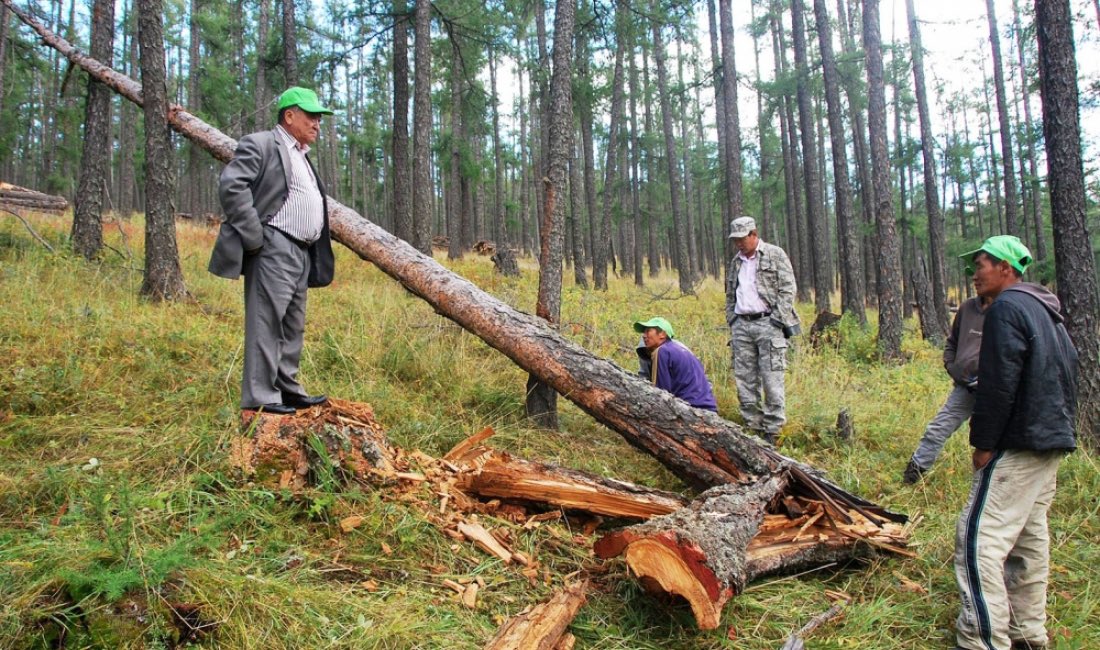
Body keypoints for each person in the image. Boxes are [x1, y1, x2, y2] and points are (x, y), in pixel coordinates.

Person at [952, 235, 1077, 650]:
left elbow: (999, 382)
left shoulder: (1006, 308)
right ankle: (1027, 633)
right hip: (1050, 441)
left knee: (977, 539)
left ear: (1006, 268)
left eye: (982, 265)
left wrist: (984, 442)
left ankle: (982, 639)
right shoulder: (1046, 310)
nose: (975, 274)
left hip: (1019, 442)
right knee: (1028, 539)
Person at [209, 87, 336, 414]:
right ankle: (261, 396)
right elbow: (232, 185)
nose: (317, 124)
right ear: (289, 115)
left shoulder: (302, 154)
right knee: (266, 321)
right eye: (311, 116)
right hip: (274, 245)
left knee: (292, 324)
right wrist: (255, 237)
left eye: (319, 119)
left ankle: (287, 388)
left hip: (301, 251)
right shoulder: (263, 143)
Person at [724, 216, 799, 444]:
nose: (738, 243)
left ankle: (773, 429)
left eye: (742, 238)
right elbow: (730, 293)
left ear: (753, 234)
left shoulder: (775, 254)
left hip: (768, 324)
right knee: (744, 378)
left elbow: (788, 289)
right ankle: (752, 426)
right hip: (742, 325)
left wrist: (777, 319)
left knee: (771, 377)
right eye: (735, 240)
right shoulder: (735, 262)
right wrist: (732, 319)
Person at [902, 294, 991, 484]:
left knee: (991, 439)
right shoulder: (967, 308)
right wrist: (952, 366)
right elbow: (952, 342)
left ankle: (986, 484)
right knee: (938, 428)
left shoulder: (1007, 308)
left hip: (996, 390)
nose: (976, 277)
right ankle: (912, 476)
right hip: (965, 388)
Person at [633, 317, 718, 412]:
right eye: (643, 332)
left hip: (690, 409)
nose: (644, 336)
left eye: (648, 331)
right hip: (709, 408)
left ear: (662, 334)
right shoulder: (682, 350)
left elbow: (661, 393)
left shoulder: (661, 351)